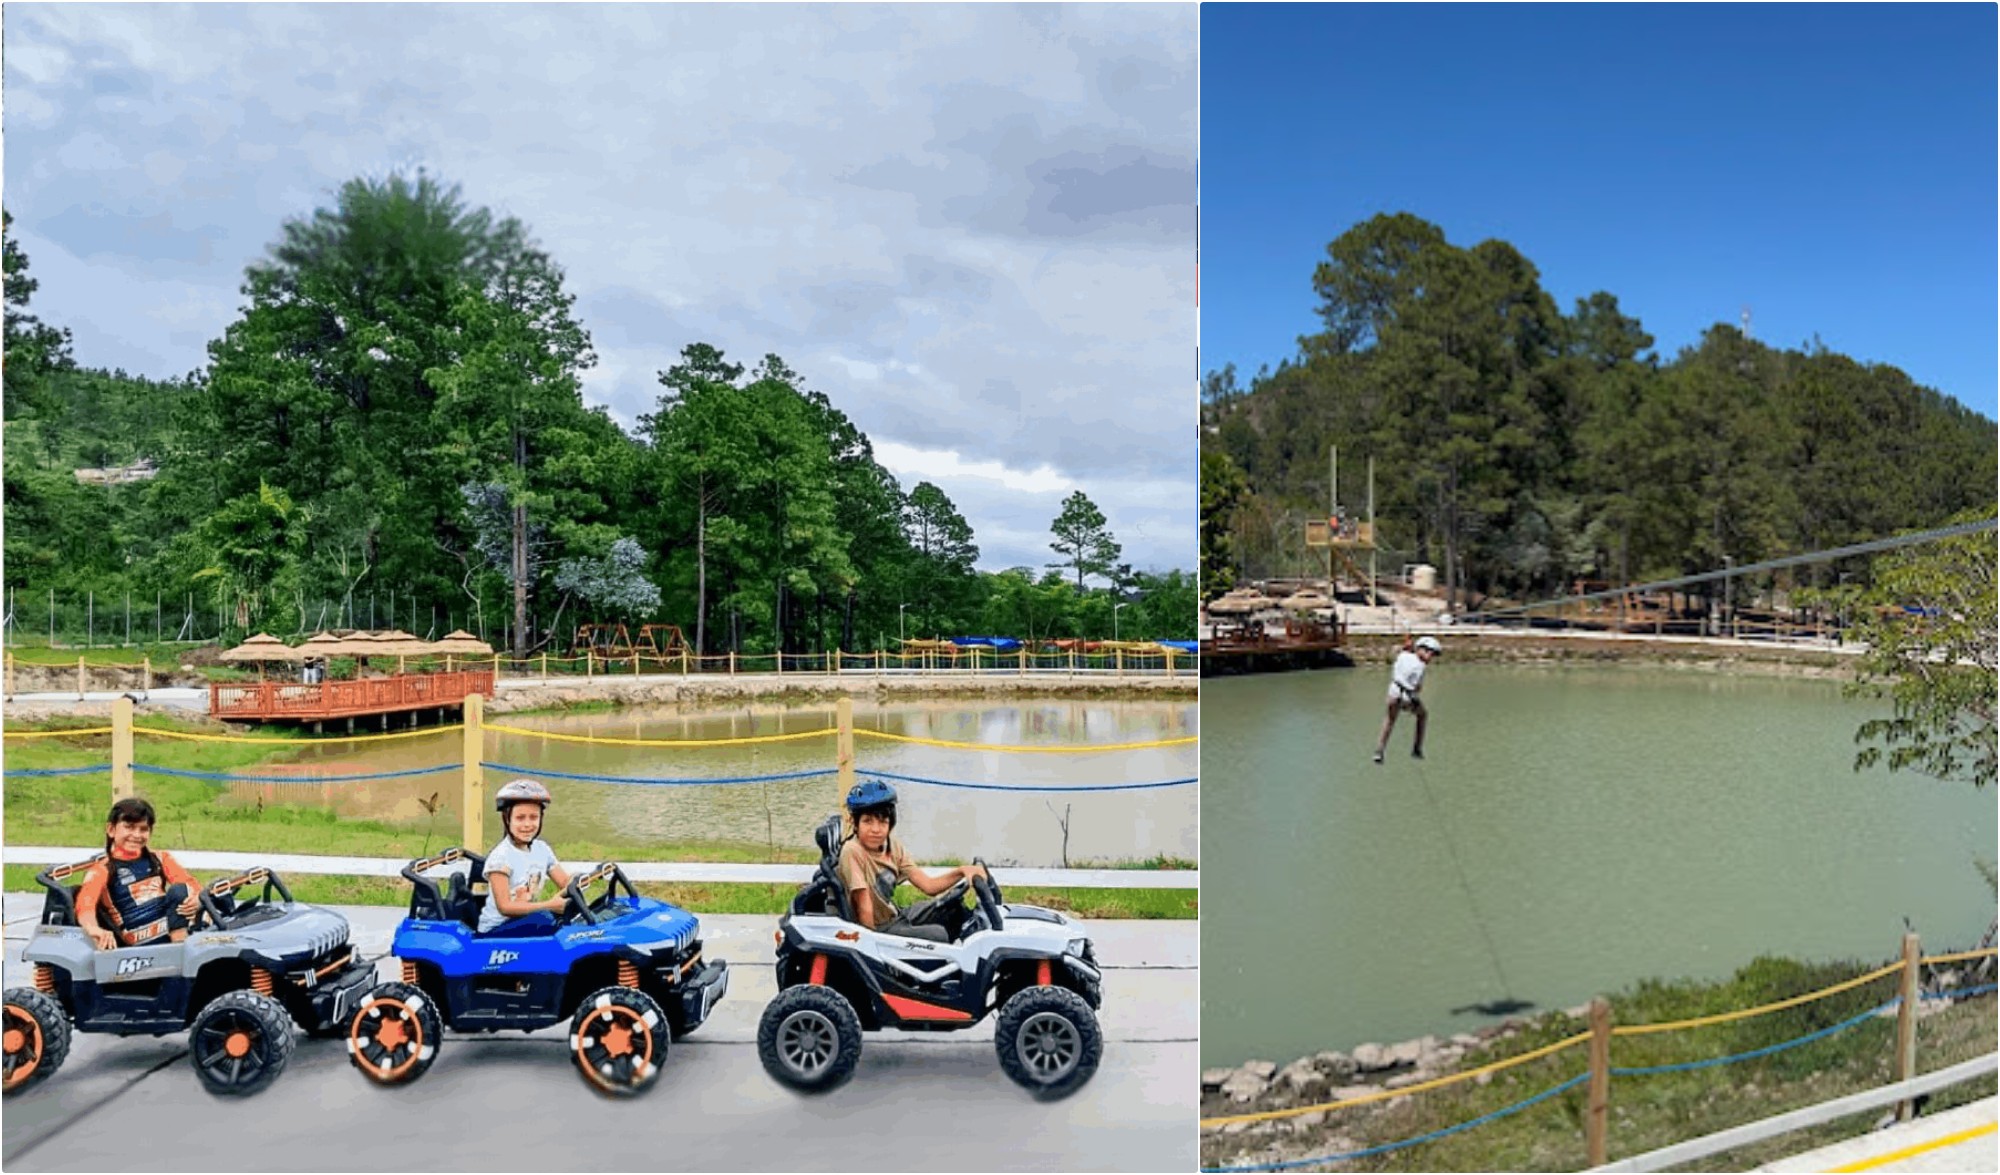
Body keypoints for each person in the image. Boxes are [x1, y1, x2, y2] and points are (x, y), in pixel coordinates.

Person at [837, 780, 987, 939]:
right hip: (876, 930)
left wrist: (962, 871)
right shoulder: (852, 851)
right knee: (937, 936)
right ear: (855, 823)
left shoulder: (892, 846)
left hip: (894, 915)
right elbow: (864, 909)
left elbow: (929, 886)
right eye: (868, 821)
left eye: (882, 821)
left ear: (890, 823)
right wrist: (872, 947)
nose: (876, 829)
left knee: (953, 908)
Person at [75, 797, 202, 949]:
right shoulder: (101, 870)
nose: (136, 835)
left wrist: (196, 900)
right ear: (111, 830)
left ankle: (193, 942)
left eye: (143, 829)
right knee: (181, 892)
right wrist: (93, 929)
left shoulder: (160, 858)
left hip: (168, 923)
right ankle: (180, 951)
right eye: (129, 827)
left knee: (217, 894)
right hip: (136, 937)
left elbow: (192, 885)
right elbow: (85, 907)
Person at [476, 778, 572, 936]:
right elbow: (505, 907)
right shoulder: (501, 857)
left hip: (524, 920)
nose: (527, 825)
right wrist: (549, 905)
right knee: (545, 919)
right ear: (507, 820)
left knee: (563, 920)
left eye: (533, 817)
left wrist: (581, 880)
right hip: (495, 931)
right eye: (520, 818)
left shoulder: (542, 849)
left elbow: (564, 882)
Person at [1374, 635, 1441, 763]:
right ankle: (1417, 748)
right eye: (1430, 653)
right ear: (1421, 650)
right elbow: (1416, 688)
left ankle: (1379, 750)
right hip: (1407, 697)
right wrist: (1414, 698)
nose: (1430, 657)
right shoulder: (1421, 667)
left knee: (1389, 720)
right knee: (1422, 716)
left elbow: (1402, 650)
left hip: (1392, 693)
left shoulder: (1403, 655)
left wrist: (1407, 646)